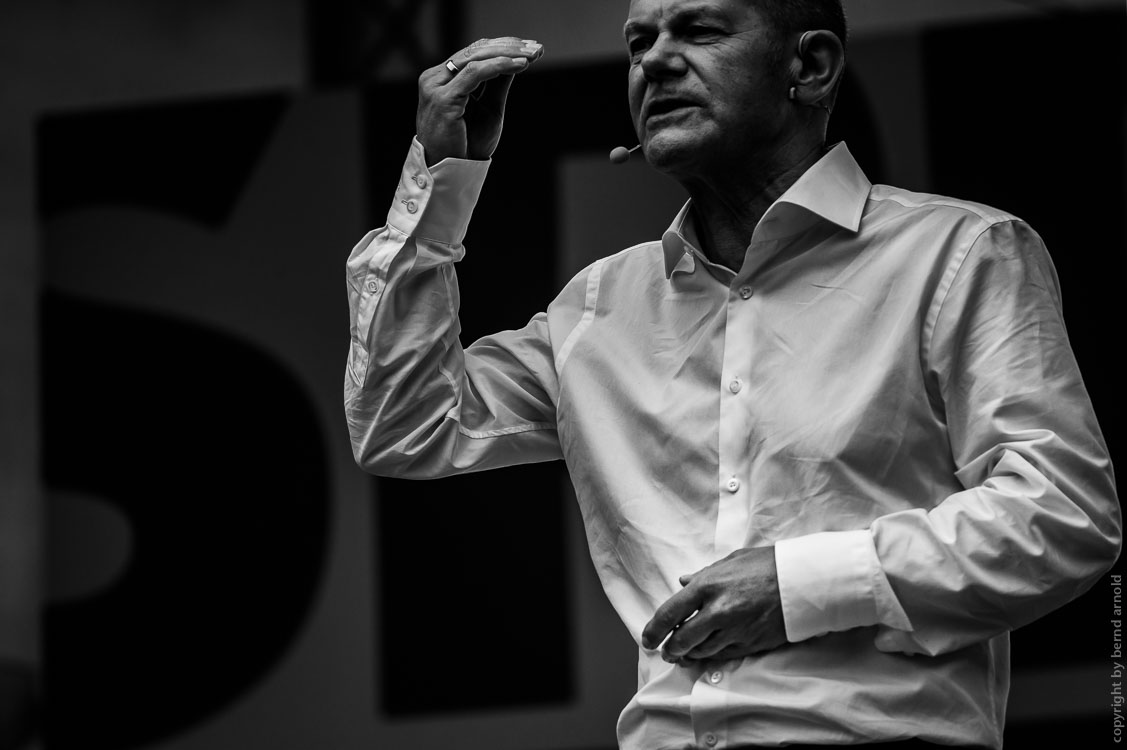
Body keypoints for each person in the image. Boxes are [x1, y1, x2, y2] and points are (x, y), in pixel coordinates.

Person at [343, 1, 1122, 747]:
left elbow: (1061, 516)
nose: (654, 60)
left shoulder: (957, 252)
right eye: (636, 41)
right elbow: (404, 427)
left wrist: (799, 585)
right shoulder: (598, 306)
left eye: (699, 29)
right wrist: (443, 179)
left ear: (810, 65)